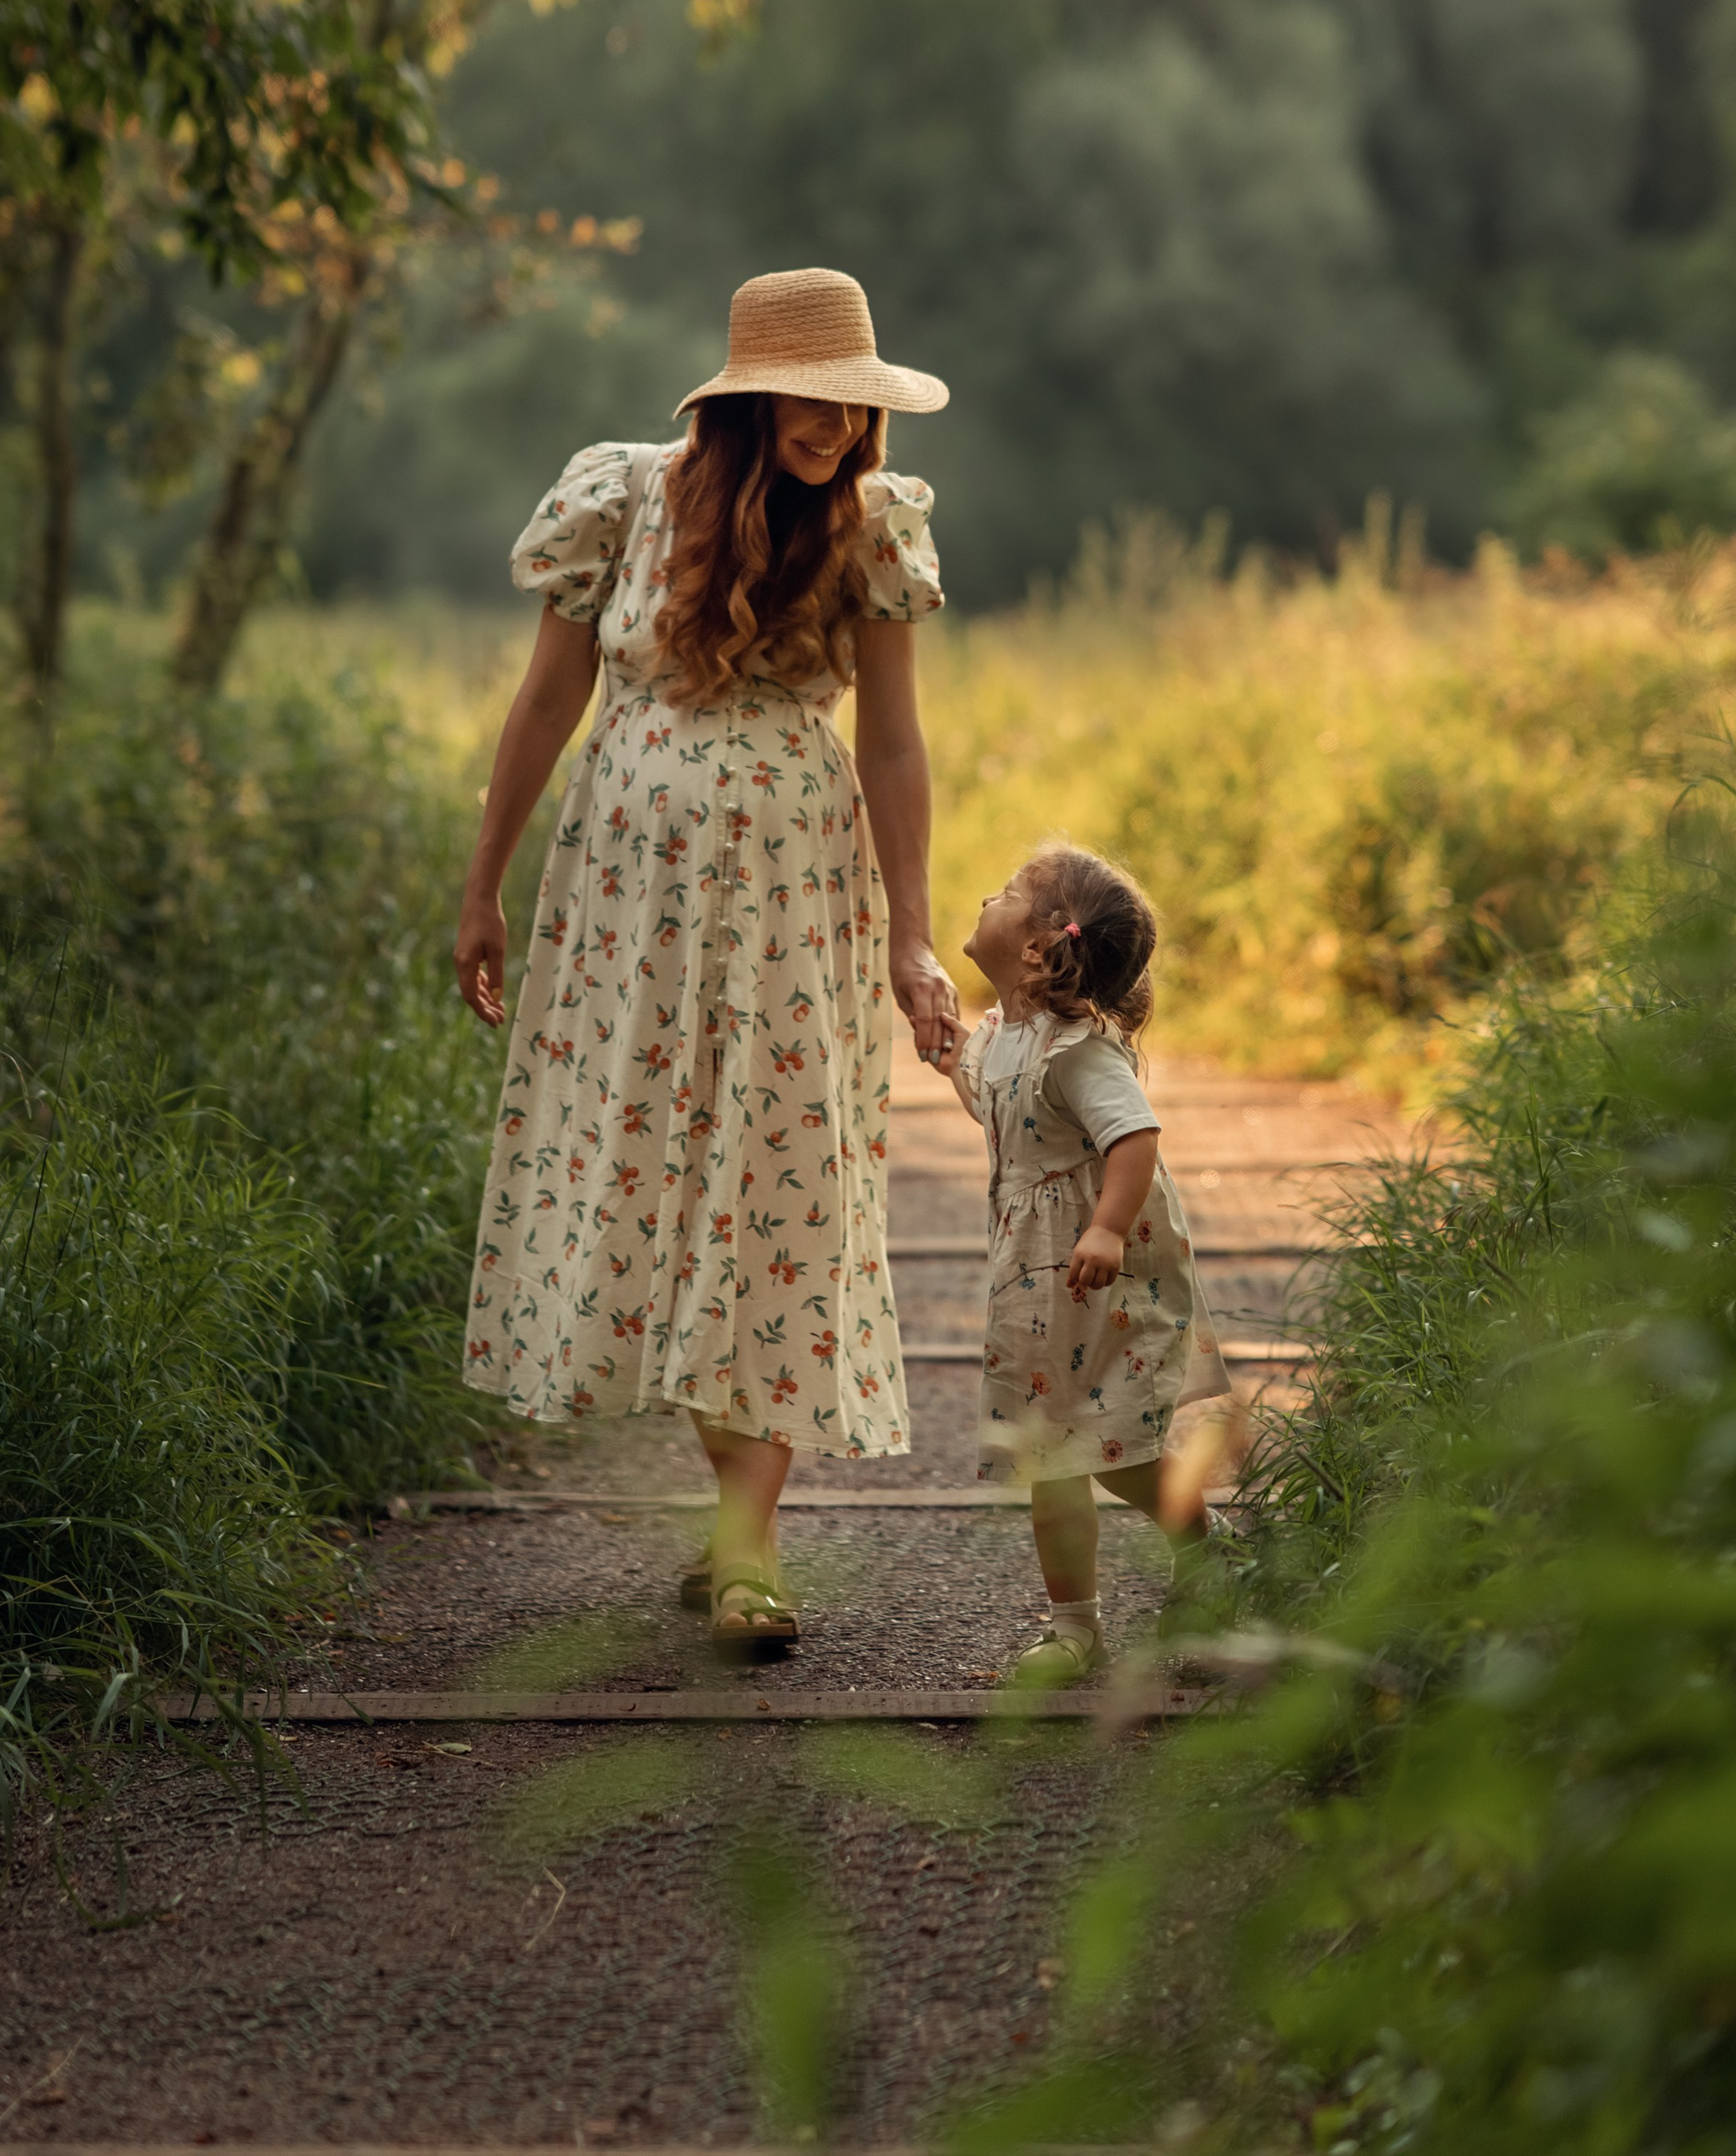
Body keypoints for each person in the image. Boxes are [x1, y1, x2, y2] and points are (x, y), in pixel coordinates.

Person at [455, 266, 961, 1657]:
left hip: (796, 902)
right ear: (748, 394)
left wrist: (915, 937)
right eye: (816, 402)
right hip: (624, 905)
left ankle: (748, 1546)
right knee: (662, 1179)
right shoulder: (623, 497)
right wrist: (482, 882)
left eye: (858, 409)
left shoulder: (870, 524)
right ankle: (727, 1514)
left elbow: (896, 744)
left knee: (776, 1183)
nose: (839, 432)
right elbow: (551, 695)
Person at [943, 846, 1237, 1683]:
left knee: (1120, 1449)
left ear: (1037, 946)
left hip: (1097, 1282)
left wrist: (1106, 1230)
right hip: (1033, 1288)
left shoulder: (1079, 1052)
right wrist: (941, 1052)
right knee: (1048, 1450)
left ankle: (1204, 1551)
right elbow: (999, 1105)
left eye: (1005, 892)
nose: (985, 894)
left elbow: (1133, 1136)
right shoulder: (1004, 1034)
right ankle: (1075, 1628)